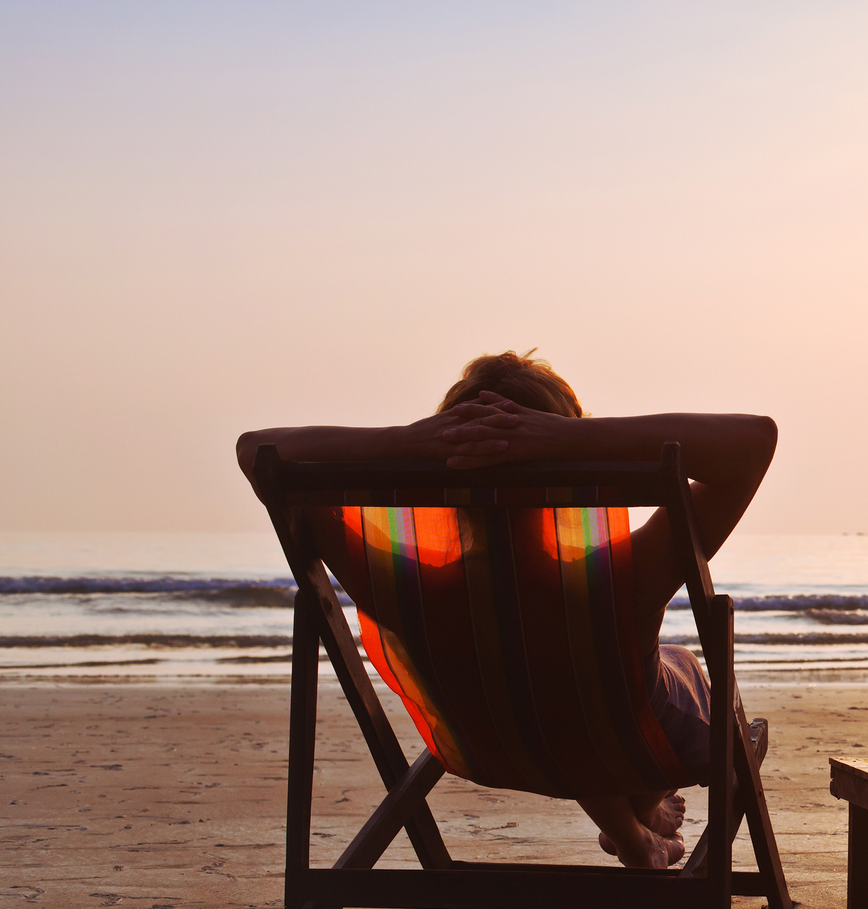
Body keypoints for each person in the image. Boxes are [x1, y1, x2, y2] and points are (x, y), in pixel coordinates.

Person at [236, 350, 777, 870]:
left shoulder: (399, 583)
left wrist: (410, 443)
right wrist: (572, 438)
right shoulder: (624, 578)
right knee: (668, 668)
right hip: (632, 751)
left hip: (490, 750)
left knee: (561, 697)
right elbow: (756, 440)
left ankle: (638, 830)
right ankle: (639, 814)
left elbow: (257, 451)